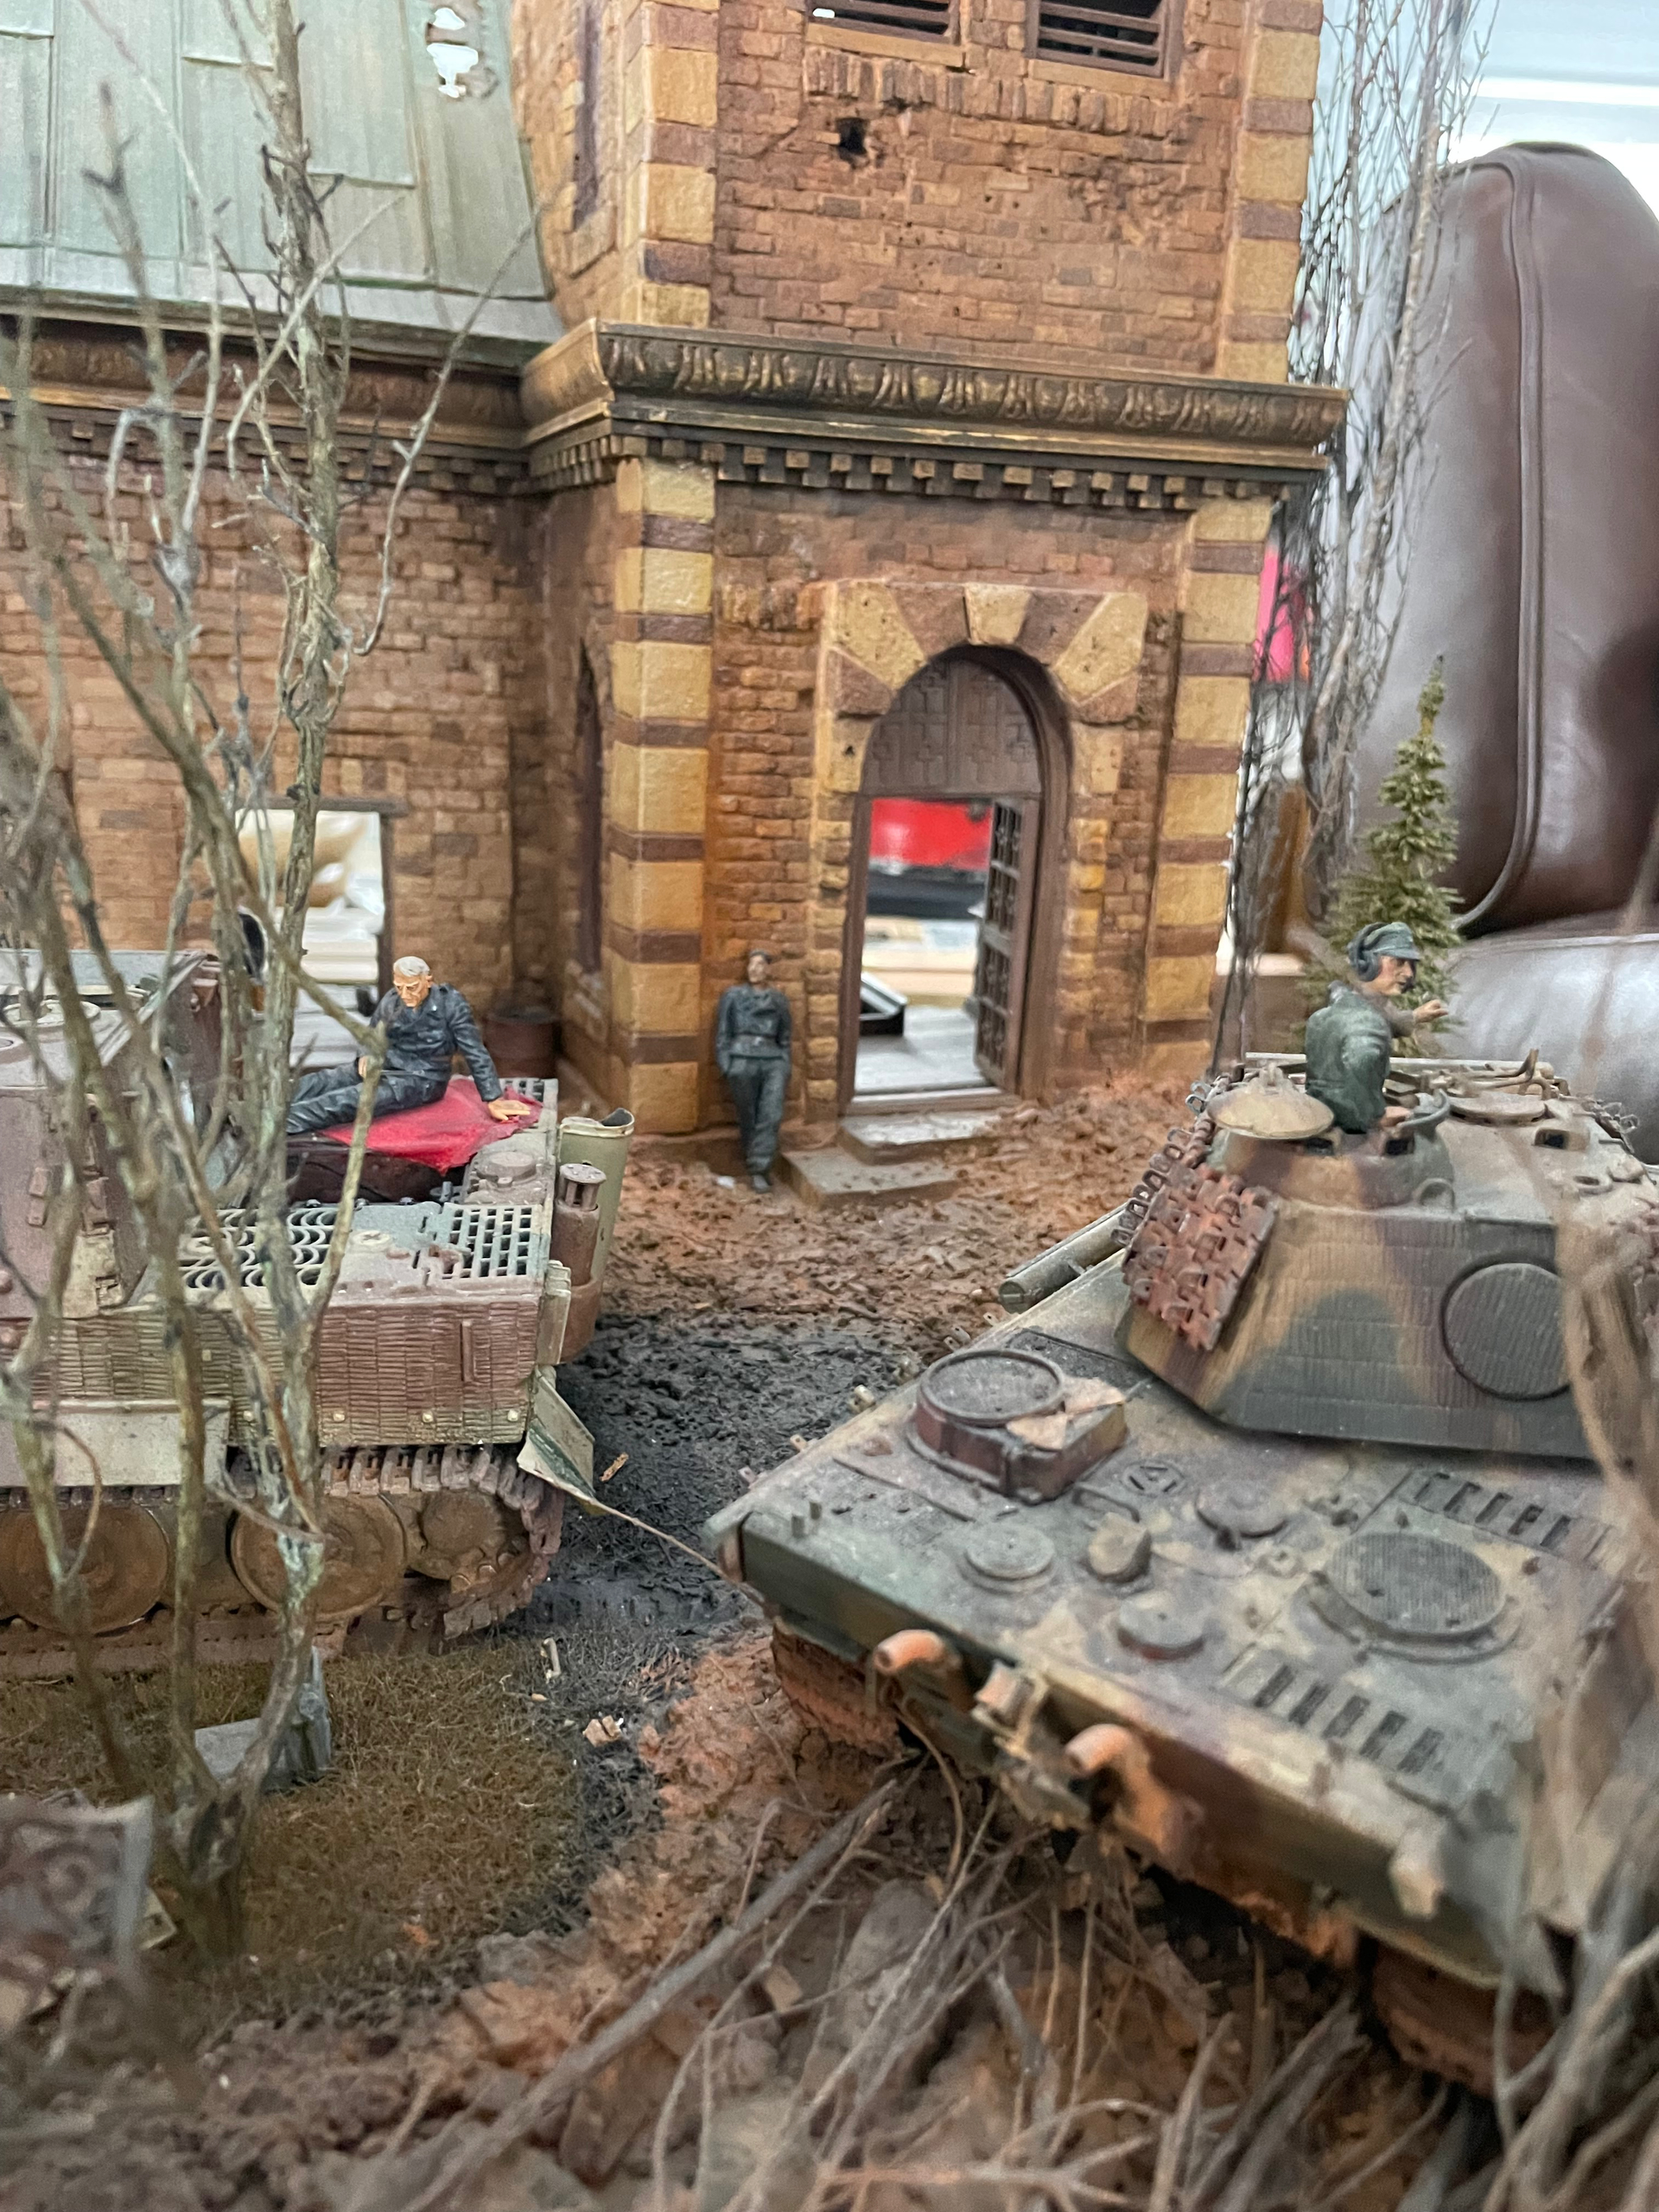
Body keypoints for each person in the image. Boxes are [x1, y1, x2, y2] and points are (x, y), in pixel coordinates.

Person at [286, 956, 535, 1137]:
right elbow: (373, 1033)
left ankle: (280, 1124)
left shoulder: (450, 1004)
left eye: (412, 988)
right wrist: (367, 1054)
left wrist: (493, 1097)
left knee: (346, 1100)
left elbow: (474, 1051)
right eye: (400, 987)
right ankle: (273, 1101)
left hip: (421, 1079)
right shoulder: (393, 999)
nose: (405, 994)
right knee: (326, 1080)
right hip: (386, 1064)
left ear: (428, 981)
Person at [1303, 922, 1448, 1135]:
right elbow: (1361, 1057)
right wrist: (1375, 1116)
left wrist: (1415, 1016)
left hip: (1319, 1109)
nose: (1408, 973)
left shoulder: (1329, 1013)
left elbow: (1375, 1021)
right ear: (1370, 964)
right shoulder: (1369, 1024)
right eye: (1398, 962)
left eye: (1410, 964)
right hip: (1353, 1122)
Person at [715, 948, 792, 1191]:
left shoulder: (778, 1000)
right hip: (742, 1059)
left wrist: (784, 1062)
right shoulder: (733, 996)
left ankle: (760, 1168)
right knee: (748, 1114)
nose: (754, 969)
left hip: (772, 1060)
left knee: (771, 1113)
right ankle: (755, 1163)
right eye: (751, 964)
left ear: (768, 970)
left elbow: (785, 1036)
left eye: (760, 965)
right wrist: (727, 1065)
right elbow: (723, 1033)